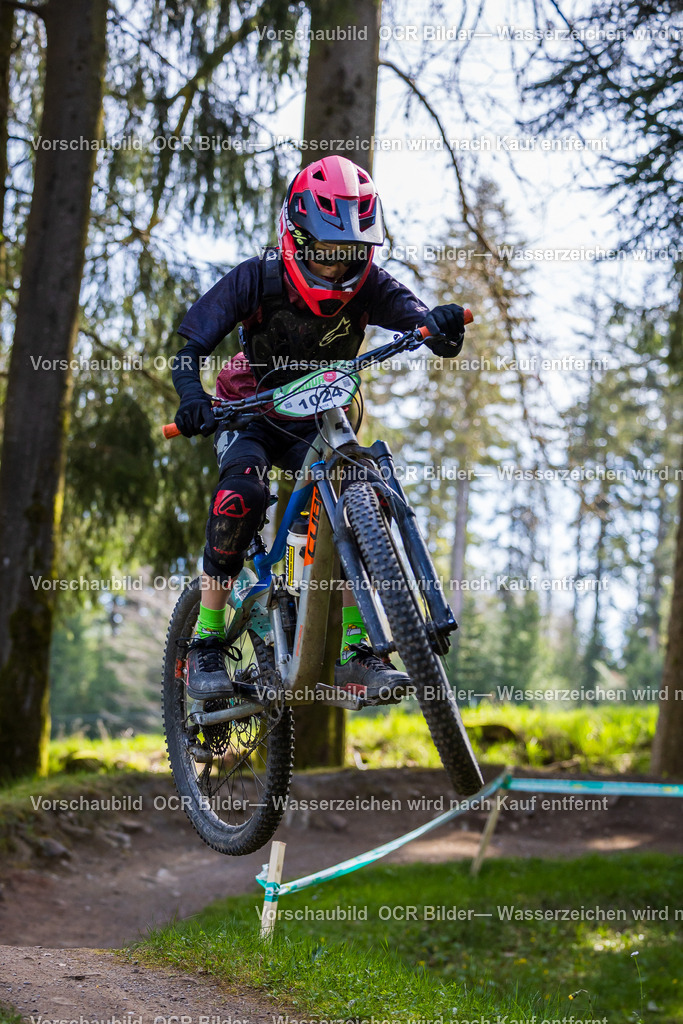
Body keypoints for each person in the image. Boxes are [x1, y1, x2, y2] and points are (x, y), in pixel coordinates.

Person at [172, 155, 466, 702]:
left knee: (363, 497)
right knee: (241, 496)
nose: (335, 268)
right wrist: (192, 397)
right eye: (325, 252)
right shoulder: (256, 280)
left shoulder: (371, 287)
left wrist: (442, 327)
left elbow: (424, 322)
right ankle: (207, 641)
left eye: (350, 254)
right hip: (250, 411)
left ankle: (361, 652)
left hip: (324, 419)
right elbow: (189, 349)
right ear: (296, 237)